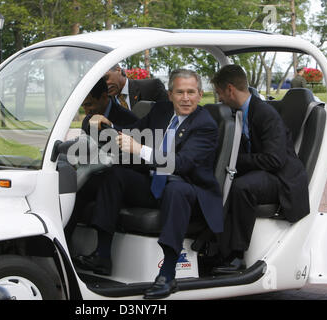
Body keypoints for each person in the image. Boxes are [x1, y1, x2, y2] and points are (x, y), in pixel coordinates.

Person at [74, 69, 223, 299]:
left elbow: (181, 164)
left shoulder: (205, 124)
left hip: (190, 189)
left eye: (191, 92)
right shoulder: (162, 110)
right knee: (115, 175)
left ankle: (167, 273)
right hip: (157, 183)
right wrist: (103, 124)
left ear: (200, 94)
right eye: (180, 92)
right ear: (171, 94)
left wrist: (139, 149)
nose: (186, 98)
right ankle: (102, 255)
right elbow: (135, 133)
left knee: (176, 189)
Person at [211, 65, 310, 274]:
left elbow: (274, 159)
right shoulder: (238, 111)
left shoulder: (265, 114)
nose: (218, 99)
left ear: (230, 89)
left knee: (241, 187)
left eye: (219, 93)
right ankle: (215, 248)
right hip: (267, 170)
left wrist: (235, 162)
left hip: (283, 178)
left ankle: (237, 256)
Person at [64, 78, 139, 241]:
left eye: (89, 104)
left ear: (104, 97)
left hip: (122, 176)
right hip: (96, 173)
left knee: (87, 186)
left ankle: (101, 251)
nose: (86, 110)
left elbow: (133, 157)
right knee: (68, 187)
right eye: (83, 106)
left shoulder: (127, 119)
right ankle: (64, 242)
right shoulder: (88, 120)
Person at [104, 64, 168, 110]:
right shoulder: (106, 103)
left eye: (106, 78)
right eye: (101, 82)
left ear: (118, 70)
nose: (105, 85)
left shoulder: (152, 87)